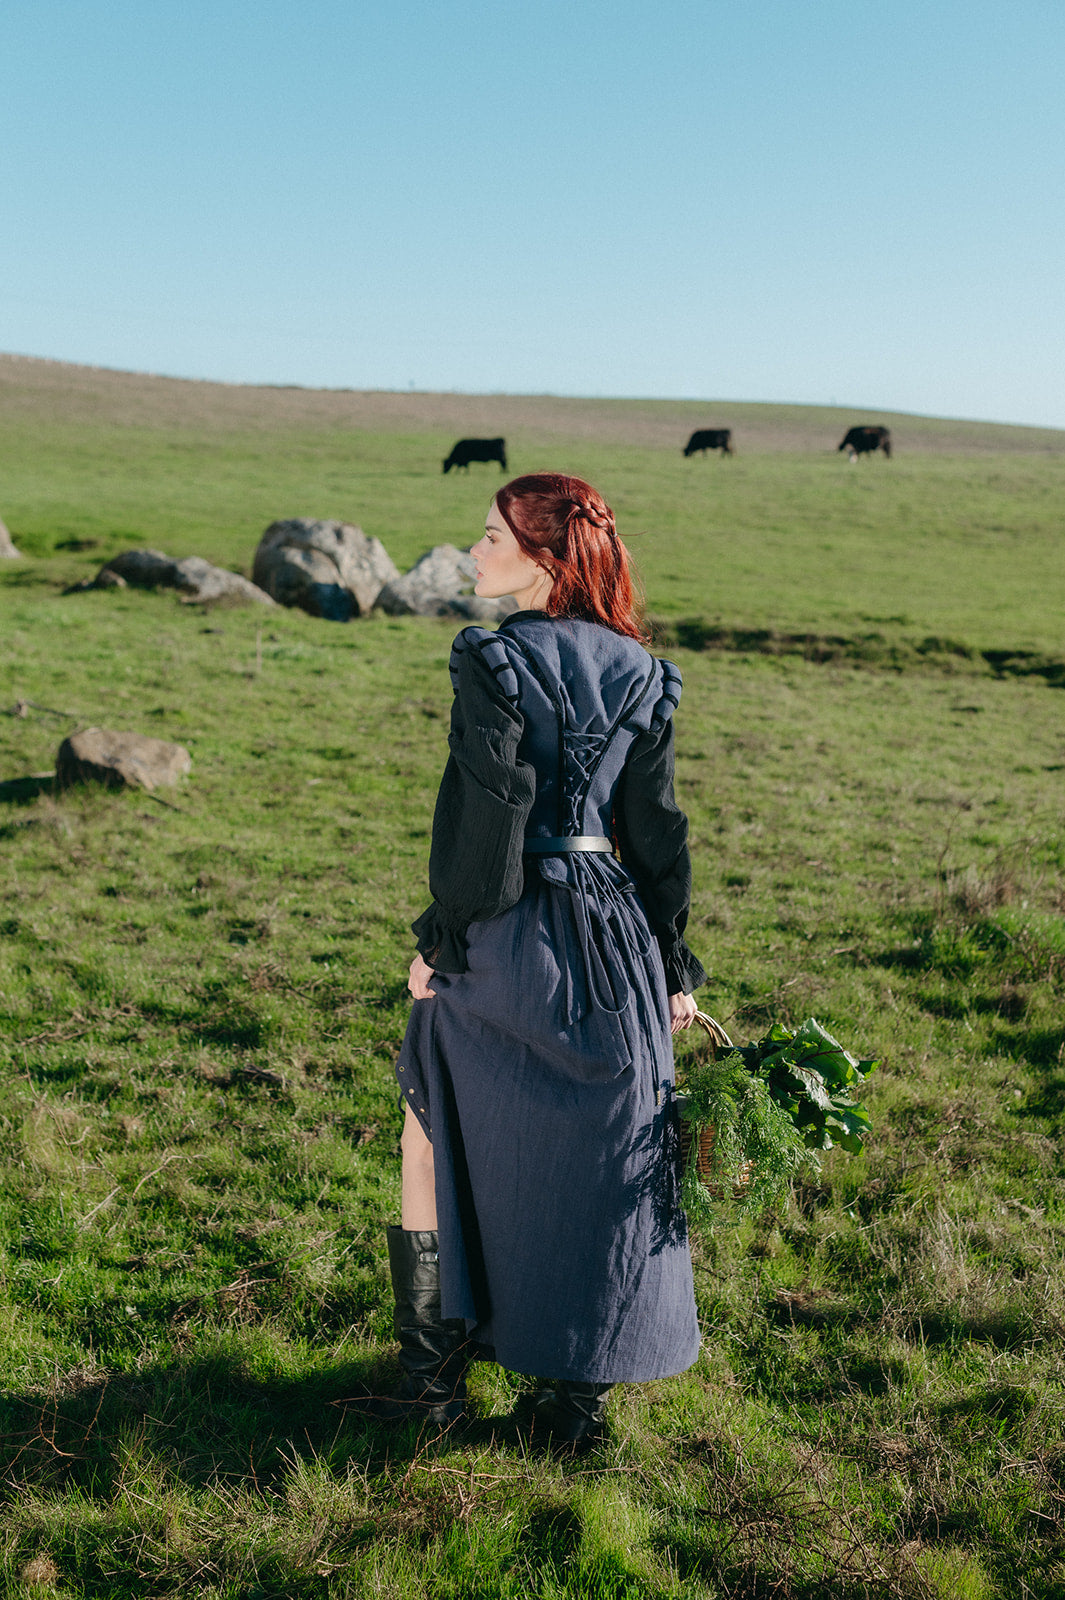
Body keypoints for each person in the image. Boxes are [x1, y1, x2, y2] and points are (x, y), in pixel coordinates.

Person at [367, 473, 707, 1449]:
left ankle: (431, 1390)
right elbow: (657, 836)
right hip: (616, 943)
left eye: (490, 538)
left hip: (513, 931)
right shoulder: (643, 673)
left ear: (545, 558)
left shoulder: (497, 661)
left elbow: (489, 828)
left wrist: (441, 944)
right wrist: (674, 968)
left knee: (428, 1121)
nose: (474, 552)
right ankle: (576, 1408)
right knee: (607, 1155)